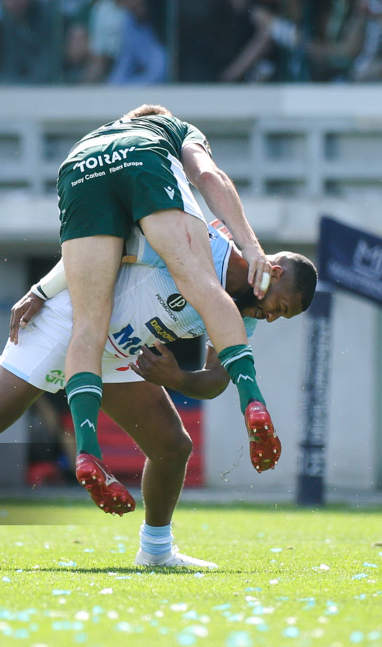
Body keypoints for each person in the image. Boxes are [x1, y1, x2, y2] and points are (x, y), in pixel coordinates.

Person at [0, 224, 315, 568]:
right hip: (71, 319)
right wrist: (45, 287)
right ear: (269, 270)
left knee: (173, 446)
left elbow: (216, 380)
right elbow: (107, 237)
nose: (273, 315)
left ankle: (156, 550)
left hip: (120, 351)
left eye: (284, 316)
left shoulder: (247, 304)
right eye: (281, 305)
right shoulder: (201, 240)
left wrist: (175, 378)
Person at [53, 104, 281, 518]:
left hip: (77, 164)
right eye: (280, 307)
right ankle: (255, 399)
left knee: (87, 326)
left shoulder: (101, 137)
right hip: (144, 159)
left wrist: (38, 288)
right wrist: (251, 245)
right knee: (205, 287)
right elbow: (209, 176)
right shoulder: (175, 129)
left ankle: (88, 451)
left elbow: (90, 256)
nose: (272, 314)